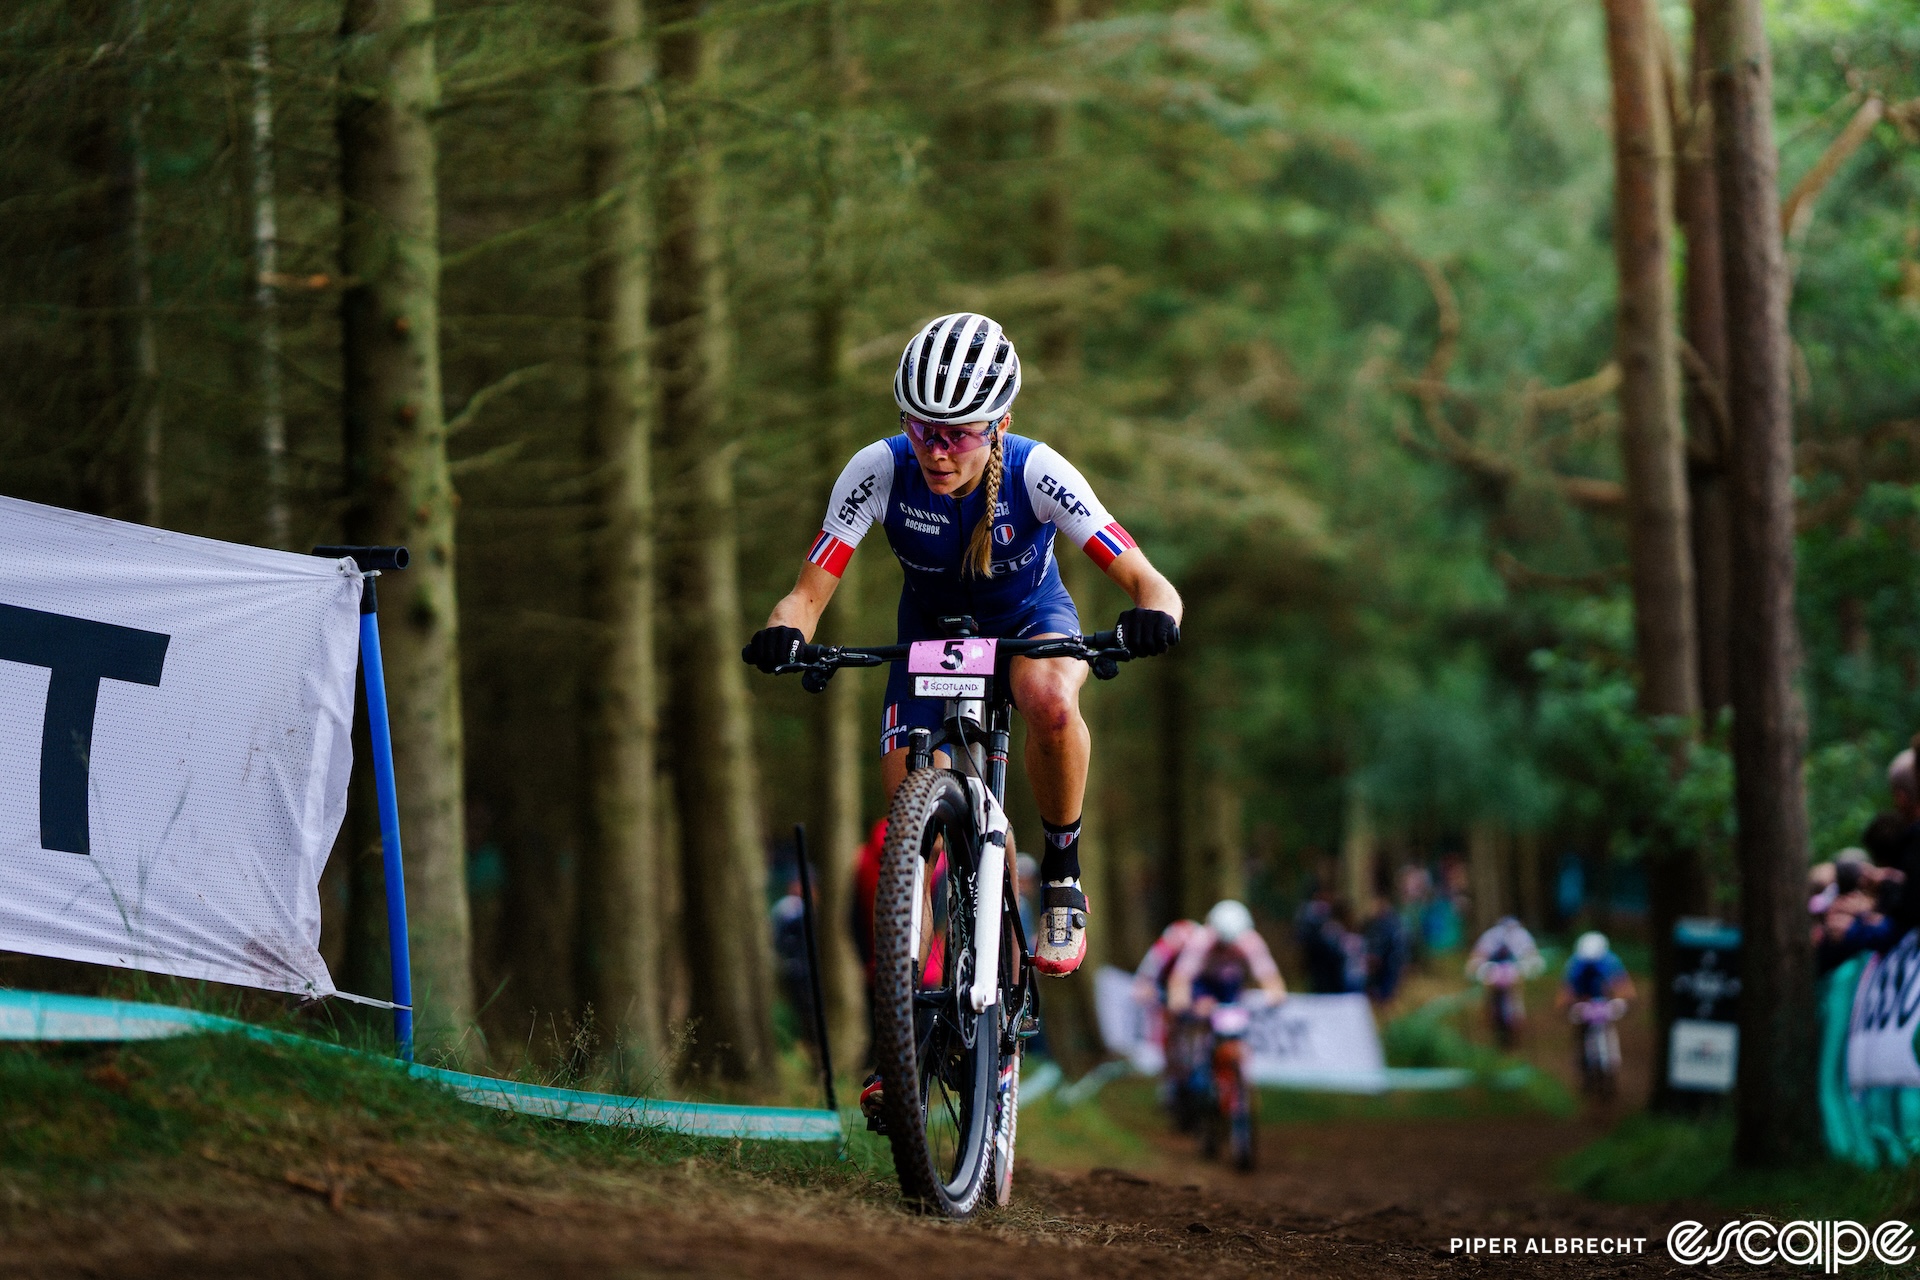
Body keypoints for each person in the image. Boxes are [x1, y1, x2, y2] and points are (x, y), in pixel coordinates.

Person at [746, 314, 1184, 1126]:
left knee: (1050, 698)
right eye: (921, 428)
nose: (935, 449)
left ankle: (1059, 875)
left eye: (957, 433)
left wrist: (1154, 612)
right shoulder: (877, 470)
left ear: (1000, 424)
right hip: (931, 638)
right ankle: (902, 1039)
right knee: (902, 833)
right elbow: (808, 590)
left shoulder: (1039, 472)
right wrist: (788, 631)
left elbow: (1147, 579)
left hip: (1030, 622)